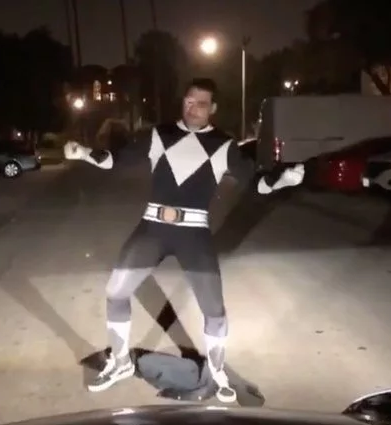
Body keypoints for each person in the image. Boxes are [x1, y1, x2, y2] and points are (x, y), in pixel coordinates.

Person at [63, 78, 304, 403]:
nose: (193, 108)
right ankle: (120, 362)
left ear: (213, 108)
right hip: (153, 227)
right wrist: (83, 153)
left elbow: (256, 183)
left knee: (214, 309)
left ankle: (217, 372)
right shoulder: (159, 134)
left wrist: (281, 181)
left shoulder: (223, 145)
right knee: (115, 292)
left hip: (193, 232)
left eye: (201, 104)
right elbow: (115, 160)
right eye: (189, 101)